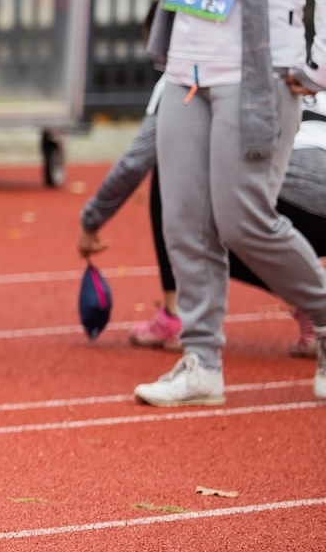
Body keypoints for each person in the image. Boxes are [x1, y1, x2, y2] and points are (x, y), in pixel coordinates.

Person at [138, 0, 326, 406]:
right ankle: (201, 363)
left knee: (245, 221)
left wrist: (317, 63)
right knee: (184, 223)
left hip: (257, 77)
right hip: (189, 73)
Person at [79, 79, 323, 360]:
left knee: (176, 172)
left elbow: (136, 160)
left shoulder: (187, 75)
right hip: (303, 194)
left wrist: (91, 219)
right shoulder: (299, 71)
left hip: (290, 198)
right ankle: (311, 300)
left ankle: (177, 316)